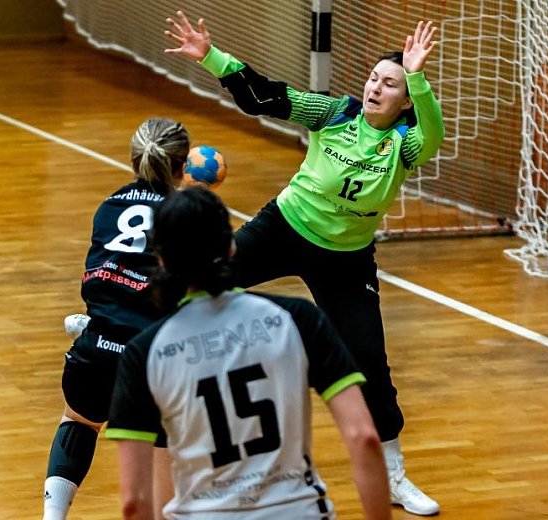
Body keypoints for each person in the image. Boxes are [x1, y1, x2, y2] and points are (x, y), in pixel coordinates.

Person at [164, 10, 445, 516]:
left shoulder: (405, 145)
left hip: (346, 258)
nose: (378, 88)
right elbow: (266, 96)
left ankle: (396, 476)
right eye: (375, 78)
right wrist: (210, 55)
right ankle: (108, 321)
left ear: (406, 100)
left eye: (391, 84)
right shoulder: (336, 113)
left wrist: (418, 75)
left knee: (369, 364)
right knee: (197, 272)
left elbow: (435, 131)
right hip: (285, 228)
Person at [106, 186, 391, 519]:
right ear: (231, 246)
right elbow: (364, 436)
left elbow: (134, 502)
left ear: (162, 259)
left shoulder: (145, 352)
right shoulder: (298, 320)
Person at [42, 117, 190, 520]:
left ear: (133, 162)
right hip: (154, 358)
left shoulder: (109, 206)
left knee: (79, 419)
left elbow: (102, 274)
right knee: (163, 462)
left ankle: (52, 517)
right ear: (181, 167)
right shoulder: (185, 213)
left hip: (97, 347)